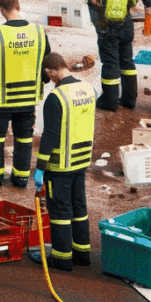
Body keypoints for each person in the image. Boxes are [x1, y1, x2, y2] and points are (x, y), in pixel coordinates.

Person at [0, 0, 49, 188]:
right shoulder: (39, 33)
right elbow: (47, 64)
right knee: (24, 140)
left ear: (2, 10)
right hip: (28, 100)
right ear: (18, 6)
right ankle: (21, 177)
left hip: (1, 101)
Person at [31, 52, 96, 272]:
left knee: (59, 211)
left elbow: (50, 136)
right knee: (79, 207)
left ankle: (62, 259)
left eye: (47, 75)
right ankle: (82, 254)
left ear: (49, 71)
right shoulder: (88, 90)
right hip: (82, 161)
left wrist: (40, 168)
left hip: (60, 165)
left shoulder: (56, 97)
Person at [89, 0, 141, 110]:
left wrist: (99, 26)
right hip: (126, 25)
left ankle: (109, 101)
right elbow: (135, 2)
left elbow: (93, 2)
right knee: (127, 62)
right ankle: (129, 99)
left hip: (109, 28)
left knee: (110, 63)